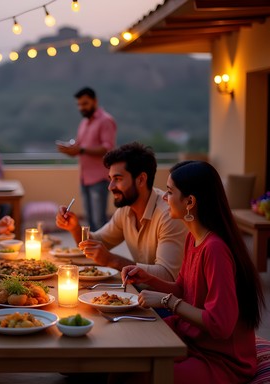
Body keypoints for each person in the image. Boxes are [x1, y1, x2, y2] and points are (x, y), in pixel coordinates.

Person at [121, 161, 265, 384]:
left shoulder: (214, 249)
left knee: (138, 375)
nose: (165, 199)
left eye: (169, 192)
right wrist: (148, 278)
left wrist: (167, 302)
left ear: (190, 201)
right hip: (192, 340)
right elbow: (183, 288)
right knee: (127, 352)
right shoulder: (193, 238)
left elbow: (220, 324)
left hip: (220, 359)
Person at [56, 142, 187, 281]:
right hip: (139, 292)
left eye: (117, 179)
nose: (110, 187)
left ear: (141, 179)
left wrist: (112, 260)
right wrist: (74, 228)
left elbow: (167, 276)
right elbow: (97, 243)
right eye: (110, 179)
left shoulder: (168, 215)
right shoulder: (126, 210)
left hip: (165, 300)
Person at [56, 87, 116, 231]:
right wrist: (69, 150)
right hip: (84, 177)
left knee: (98, 221)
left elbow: (108, 148)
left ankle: (102, 252)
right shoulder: (84, 123)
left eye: (85, 103)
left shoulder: (106, 121)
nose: (81, 107)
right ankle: (91, 252)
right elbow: (79, 146)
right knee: (89, 221)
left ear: (95, 101)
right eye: (79, 104)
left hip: (99, 178)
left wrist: (81, 150)